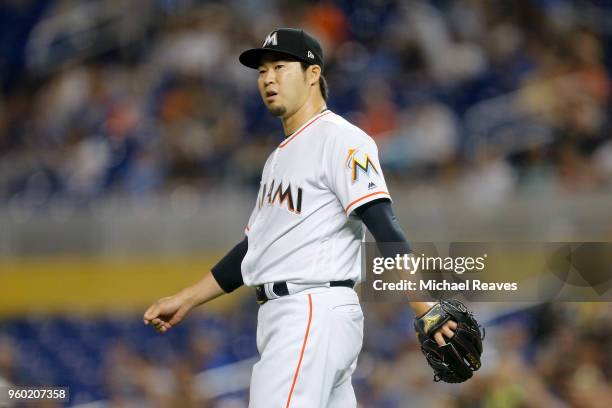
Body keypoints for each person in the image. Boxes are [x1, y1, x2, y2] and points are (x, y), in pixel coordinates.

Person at [143, 28, 457, 407]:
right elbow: (254, 249)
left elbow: (383, 223)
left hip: (309, 310)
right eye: (262, 71)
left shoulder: (340, 138)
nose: (268, 78)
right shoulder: (278, 159)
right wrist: (187, 298)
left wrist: (425, 307)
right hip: (295, 316)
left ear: (312, 74)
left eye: (280, 66)